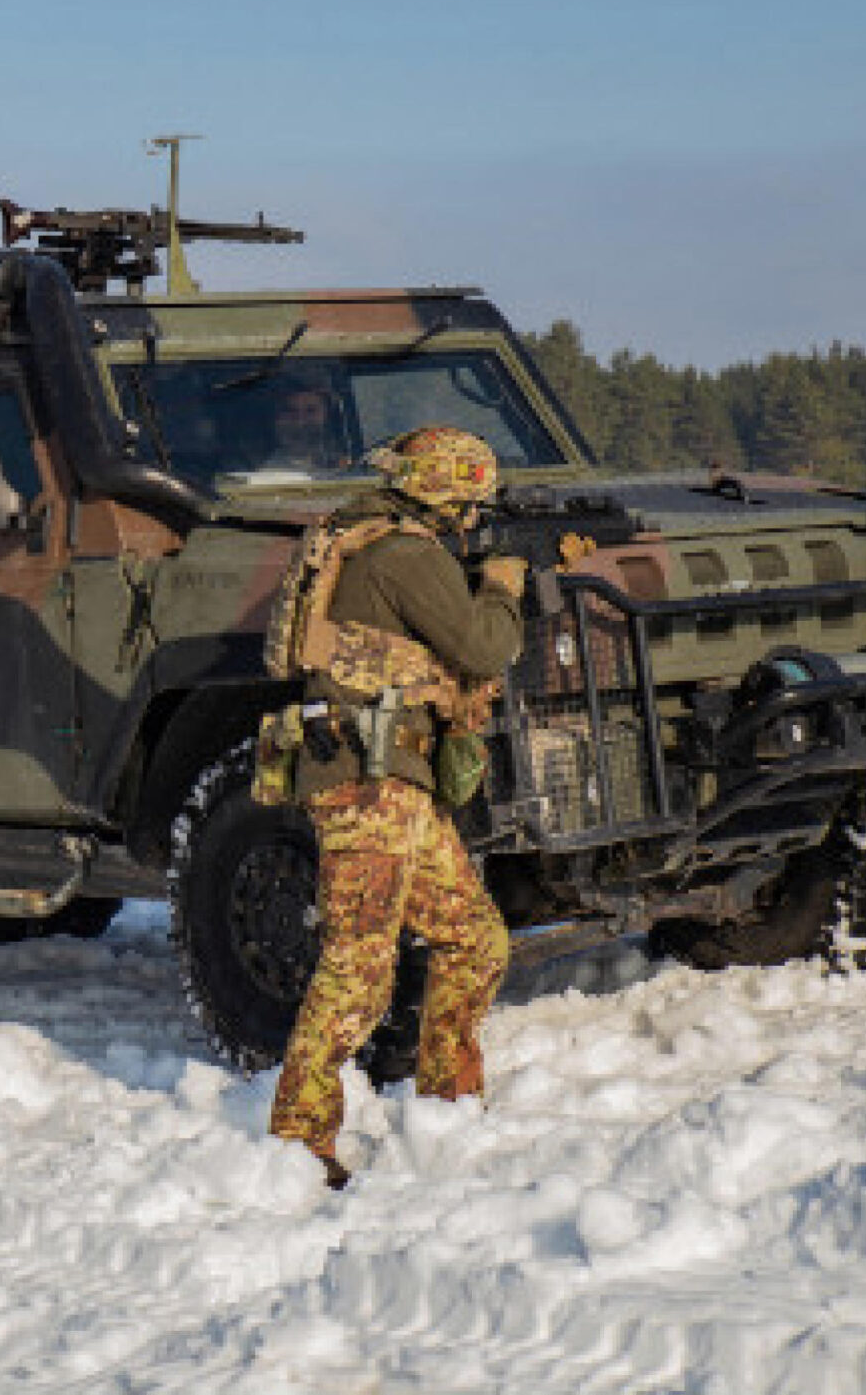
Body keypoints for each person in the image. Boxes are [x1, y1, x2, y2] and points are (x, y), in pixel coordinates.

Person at [262, 425, 529, 1188]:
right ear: (447, 491)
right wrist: (504, 584)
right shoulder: (408, 554)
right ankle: (297, 1139)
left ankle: (446, 1102)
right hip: (367, 782)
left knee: (474, 938)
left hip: (393, 780)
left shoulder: (380, 540)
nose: (477, 518)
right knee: (359, 964)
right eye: (473, 502)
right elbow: (481, 646)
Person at [264, 380, 354, 474]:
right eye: (290, 411)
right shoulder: (265, 477)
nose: (300, 422)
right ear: (276, 419)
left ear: (327, 416)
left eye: (311, 411)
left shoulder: (356, 467)